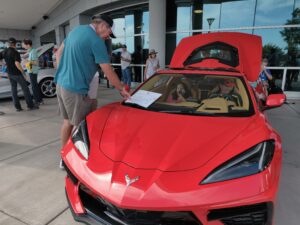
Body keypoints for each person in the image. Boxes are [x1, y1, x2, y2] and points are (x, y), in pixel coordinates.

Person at [55, 14, 130, 167]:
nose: (108, 36)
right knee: (80, 126)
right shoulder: (96, 41)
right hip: (75, 89)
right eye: (109, 32)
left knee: (67, 122)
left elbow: (58, 53)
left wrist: (64, 71)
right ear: (102, 25)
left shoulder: (76, 31)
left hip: (61, 84)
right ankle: (75, 162)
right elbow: (107, 71)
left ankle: (63, 157)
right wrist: (121, 89)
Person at [0, 37, 38, 111]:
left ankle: (18, 108)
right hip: (17, 73)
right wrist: (23, 73)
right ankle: (30, 106)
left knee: (13, 90)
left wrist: (3, 64)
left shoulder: (4, 51)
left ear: (8, 43)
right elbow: (17, 63)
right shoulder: (15, 52)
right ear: (15, 44)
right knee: (25, 89)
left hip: (9, 73)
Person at [22, 39, 44, 105]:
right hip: (31, 70)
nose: (23, 46)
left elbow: (36, 63)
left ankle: (38, 101)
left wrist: (27, 61)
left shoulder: (33, 51)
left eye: (24, 44)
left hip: (33, 71)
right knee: (34, 86)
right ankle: (39, 100)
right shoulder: (31, 51)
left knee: (34, 86)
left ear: (28, 45)